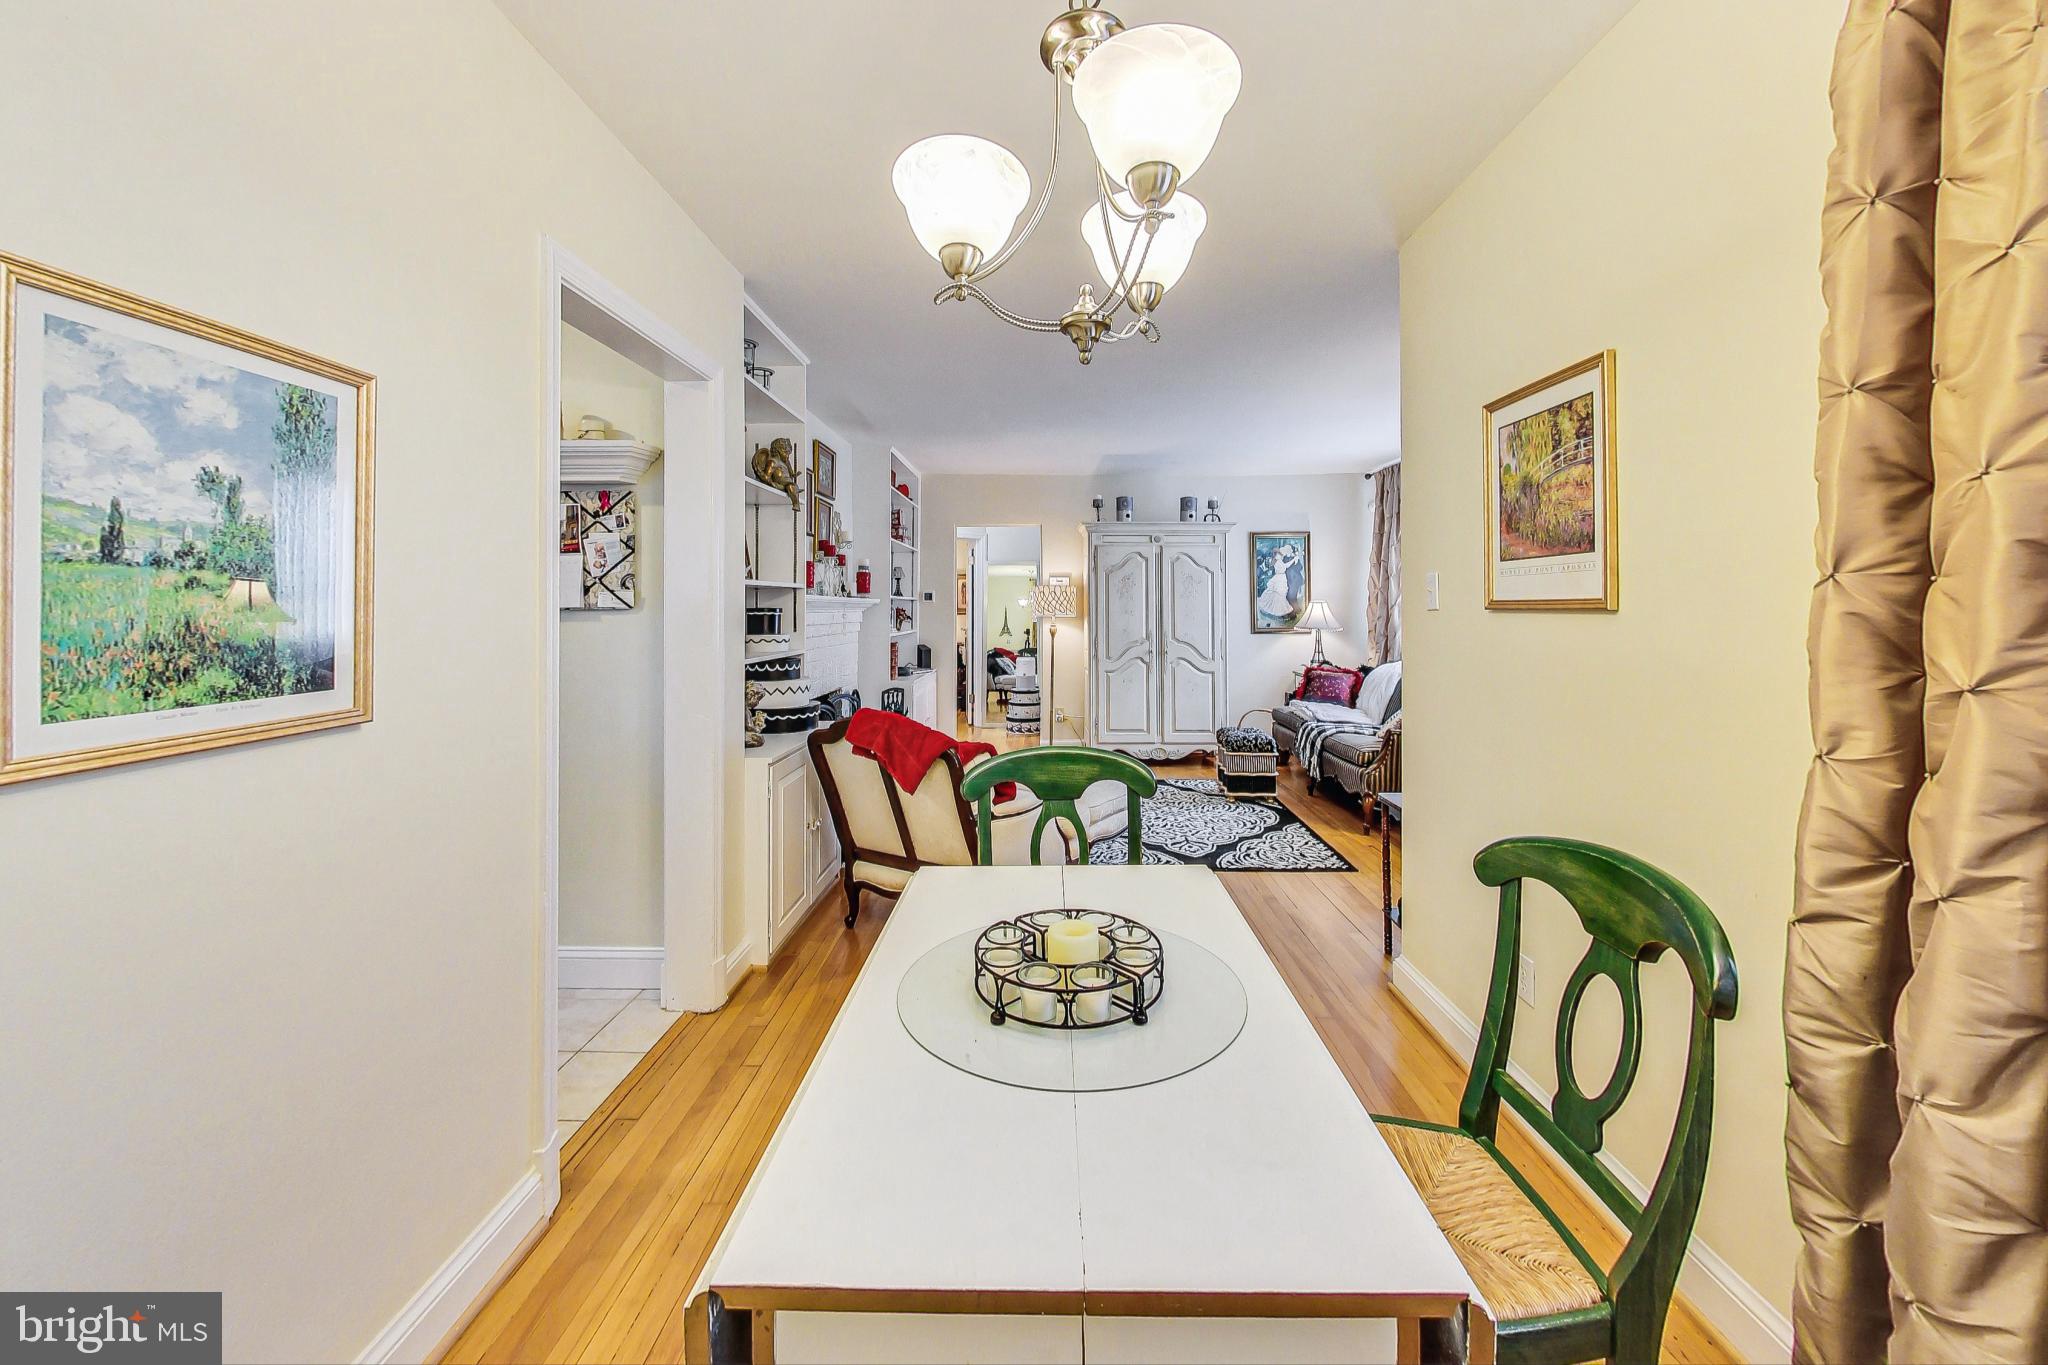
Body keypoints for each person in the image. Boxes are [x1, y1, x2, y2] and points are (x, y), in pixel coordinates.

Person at [1258, 543, 1300, 621]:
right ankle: (1281, 612)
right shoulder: (1277, 562)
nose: (1281, 555)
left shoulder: (1279, 561)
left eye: (1280, 554)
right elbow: (1285, 566)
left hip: (1281, 578)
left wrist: (1293, 559)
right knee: (1279, 595)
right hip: (1279, 579)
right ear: (1276, 555)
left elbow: (1286, 566)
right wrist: (1293, 560)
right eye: (1279, 554)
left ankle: (1282, 612)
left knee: (1280, 595)